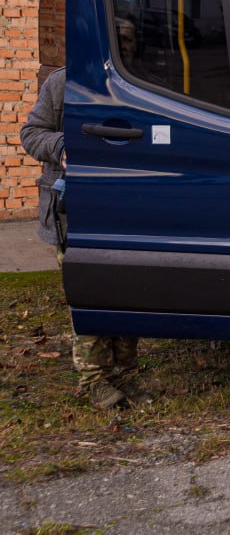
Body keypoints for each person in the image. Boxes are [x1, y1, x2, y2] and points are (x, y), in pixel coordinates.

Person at [20, 62, 142, 409]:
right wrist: (61, 147)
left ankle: (124, 372)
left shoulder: (134, 80)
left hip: (124, 209)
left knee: (128, 293)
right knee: (90, 293)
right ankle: (94, 380)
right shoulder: (62, 82)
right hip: (74, 214)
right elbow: (31, 132)